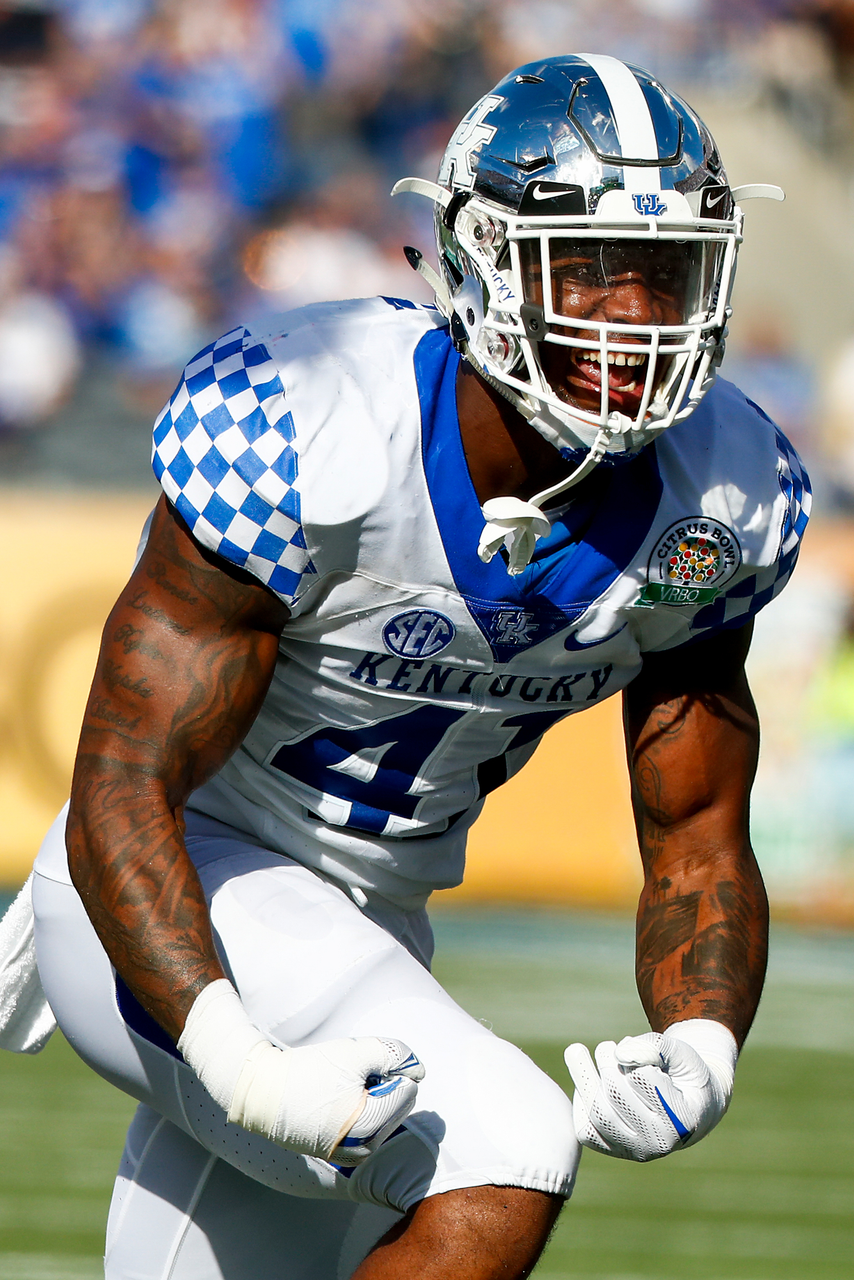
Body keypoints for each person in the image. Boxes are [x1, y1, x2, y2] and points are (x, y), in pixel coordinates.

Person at [26, 53, 808, 1280]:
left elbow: (700, 822)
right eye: (591, 268)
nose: (633, 317)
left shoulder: (722, 498)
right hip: (171, 885)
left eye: (661, 273)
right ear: (483, 260)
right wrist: (232, 1052)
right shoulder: (313, 418)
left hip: (371, 925)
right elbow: (126, 774)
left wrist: (702, 1039)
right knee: (506, 1142)